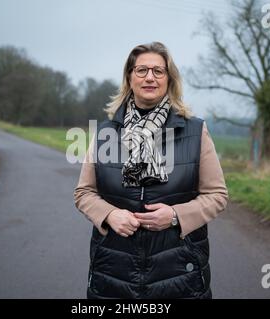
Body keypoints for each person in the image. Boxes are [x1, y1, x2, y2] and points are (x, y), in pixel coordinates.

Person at [74, 42, 228, 299]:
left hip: (179, 273)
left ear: (169, 79)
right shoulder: (104, 132)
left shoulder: (195, 131)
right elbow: (84, 192)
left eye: (158, 71)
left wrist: (176, 215)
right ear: (129, 77)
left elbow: (217, 195)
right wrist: (110, 214)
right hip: (114, 271)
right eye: (141, 70)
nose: (149, 77)